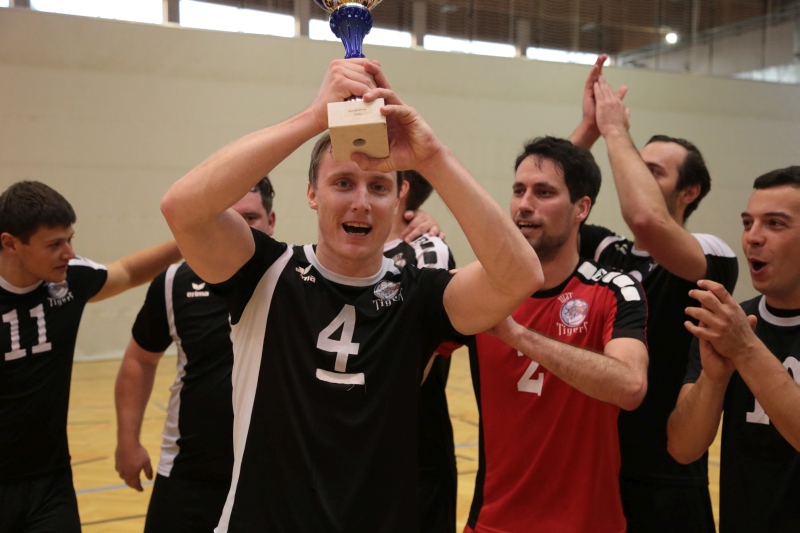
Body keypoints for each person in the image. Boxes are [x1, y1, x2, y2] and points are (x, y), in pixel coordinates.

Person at [159, 59, 543, 532]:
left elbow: (520, 275)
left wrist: (433, 157)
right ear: (312, 195)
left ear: (398, 201)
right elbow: (182, 208)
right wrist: (313, 118)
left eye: (378, 187)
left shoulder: (419, 295)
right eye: (343, 183)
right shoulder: (264, 272)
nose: (361, 202)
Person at [570, 56, 739, 531]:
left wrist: (616, 133)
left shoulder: (711, 254)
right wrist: (589, 129)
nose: (640, 178)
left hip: (667, 483)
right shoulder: (608, 251)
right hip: (596, 473)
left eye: (655, 172)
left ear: (690, 192)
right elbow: (546, 203)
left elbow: (646, 219)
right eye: (637, 169)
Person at [466, 136, 649, 533]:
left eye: (544, 192)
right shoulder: (480, 290)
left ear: (581, 208)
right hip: (494, 523)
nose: (524, 204)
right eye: (518, 190)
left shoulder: (614, 289)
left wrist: (517, 335)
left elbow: (630, 386)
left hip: (590, 524)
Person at [0, 181, 181, 533]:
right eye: (54, 244)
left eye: (70, 239)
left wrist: (189, 238)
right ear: (10, 243)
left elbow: (127, 271)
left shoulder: (70, 280)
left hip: (50, 482)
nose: (69, 253)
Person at [114, 177, 276, 532]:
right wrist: (127, 440)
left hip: (270, 476)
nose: (237, 229)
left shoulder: (296, 281)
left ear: (271, 221)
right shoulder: (174, 282)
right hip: (187, 475)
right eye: (227, 218)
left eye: (249, 218)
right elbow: (140, 359)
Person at [668, 166, 800, 532]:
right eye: (747, 223)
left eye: (775, 224)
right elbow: (683, 448)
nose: (752, 237)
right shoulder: (729, 324)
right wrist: (713, 379)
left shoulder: (738, 337)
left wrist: (746, 350)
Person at [382, 168, 458, 533]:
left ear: (401, 189)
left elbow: (417, 357)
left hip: (414, 452)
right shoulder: (346, 251)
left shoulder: (427, 250)